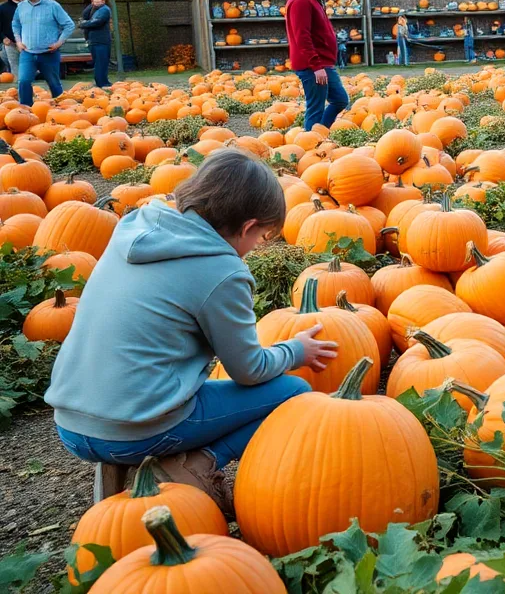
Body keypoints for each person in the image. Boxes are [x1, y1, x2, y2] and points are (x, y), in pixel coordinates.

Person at [46, 150, 338, 514]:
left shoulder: (138, 225)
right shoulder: (222, 271)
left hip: (70, 425)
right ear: (248, 227)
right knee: (294, 393)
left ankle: (124, 465)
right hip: (133, 430)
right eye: (261, 237)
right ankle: (197, 465)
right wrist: (295, 350)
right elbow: (249, 371)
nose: (256, 247)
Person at [287, 0, 349, 131]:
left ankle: (319, 133)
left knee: (340, 100)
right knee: (315, 109)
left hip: (323, 63)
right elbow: (302, 36)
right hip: (313, 65)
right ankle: (310, 146)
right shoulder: (300, 0)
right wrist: (316, 66)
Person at [11, 0, 74, 106]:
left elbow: (69, 24)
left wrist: (59, 43)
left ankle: (63, 109)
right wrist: (18, 40)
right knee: (23, 81)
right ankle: (26, 110)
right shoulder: (21, 7)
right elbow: (15, 24)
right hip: (27, 53)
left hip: (48, 53)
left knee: (54, 83)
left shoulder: (52, 5)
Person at [79, 0, 112, 88]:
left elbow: (97, 22)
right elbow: (84, 15)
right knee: (100, 62)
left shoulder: (104, 10)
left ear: (104, 1)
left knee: (103, 61)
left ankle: (104, 82)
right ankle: (101, 83)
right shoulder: (93, 9)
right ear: (92, 0)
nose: (98, 0)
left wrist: (83, 24)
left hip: (102, 40)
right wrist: (92, 5)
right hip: (94, 41)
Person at [0, 0, 21, 76]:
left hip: (29, 43)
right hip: (11, 43)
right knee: (15, 69)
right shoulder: (3, 8)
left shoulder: (30, 5)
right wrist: (3, 38)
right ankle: (17, 89)